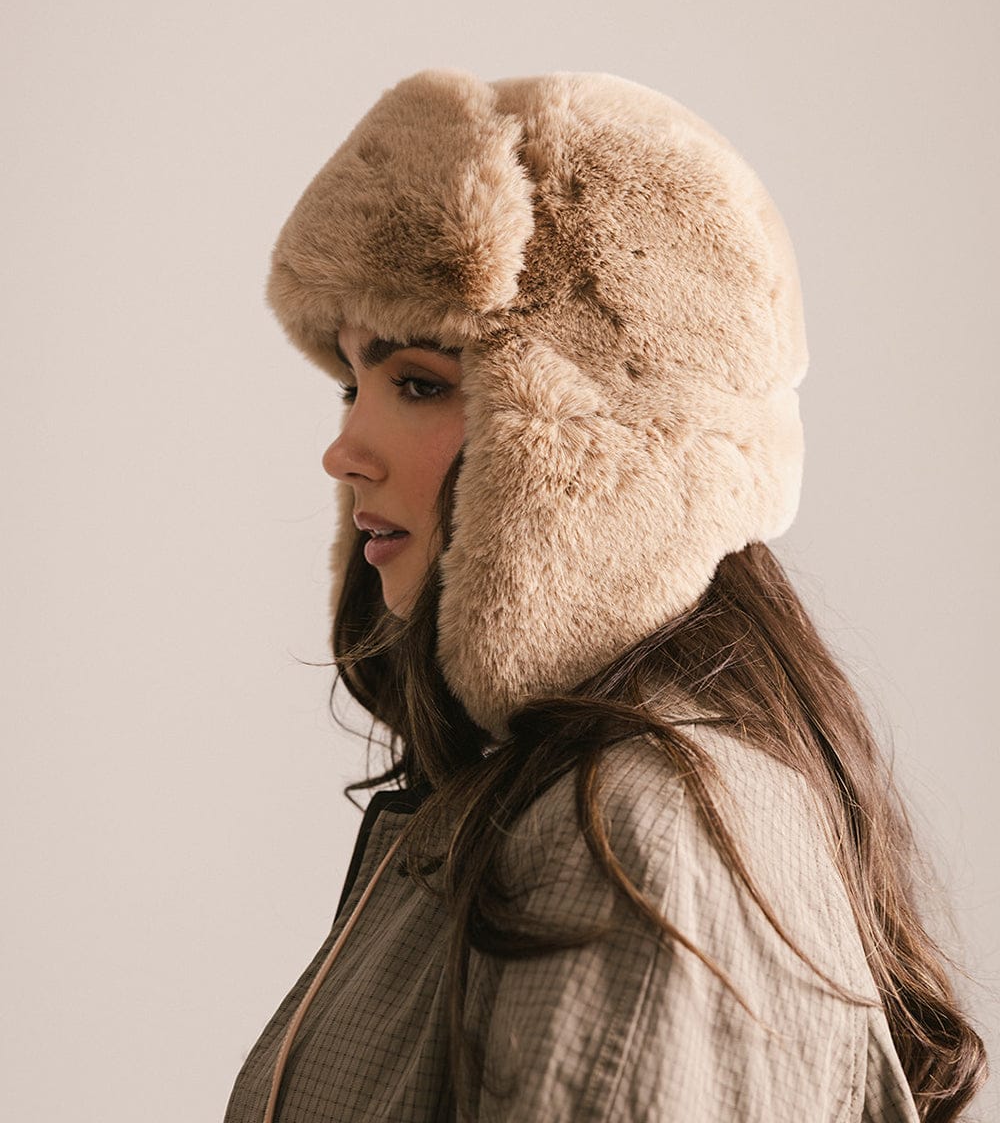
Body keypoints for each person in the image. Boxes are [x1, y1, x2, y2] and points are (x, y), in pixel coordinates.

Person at [224, 69, 987, 1122]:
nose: (344, 447)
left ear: (590, 442)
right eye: (352, 381)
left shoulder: (634, 830)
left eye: (417, 382)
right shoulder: (553, 797)